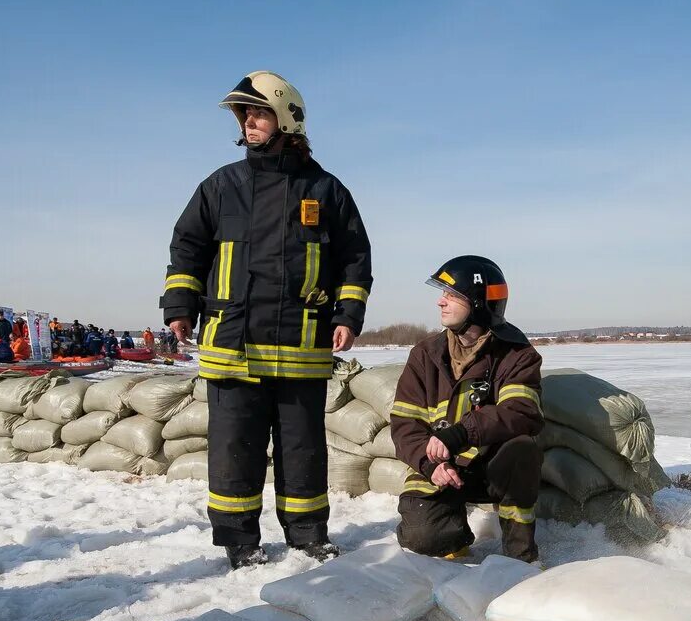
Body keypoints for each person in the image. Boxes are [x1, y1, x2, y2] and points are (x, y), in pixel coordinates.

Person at [161, 70, 373, 570]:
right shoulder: (221, 187)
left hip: (302, 344)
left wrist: (348, 314)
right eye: (243, 114)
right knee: (235, 450)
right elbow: (186, 249)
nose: (247, 122)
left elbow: (354, 258)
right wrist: (179, 307)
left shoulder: (325, 190)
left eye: (256, 113)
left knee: (303, 450)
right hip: (232, 344)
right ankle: (240, 542)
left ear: (285, 118)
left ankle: (307, 535)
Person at [391, 256, 544, 563]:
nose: (440, 302)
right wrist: (429, 464)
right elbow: (404, 424)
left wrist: (461, 433)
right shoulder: (425, 355)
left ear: (476, 303)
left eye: (451, 295)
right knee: (424, 538)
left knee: (523, 449)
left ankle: (520, 557)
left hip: (491, 468)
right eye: (442, 294)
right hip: (441, 466)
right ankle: (452, 532)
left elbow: (521, 411)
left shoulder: (517, 354)